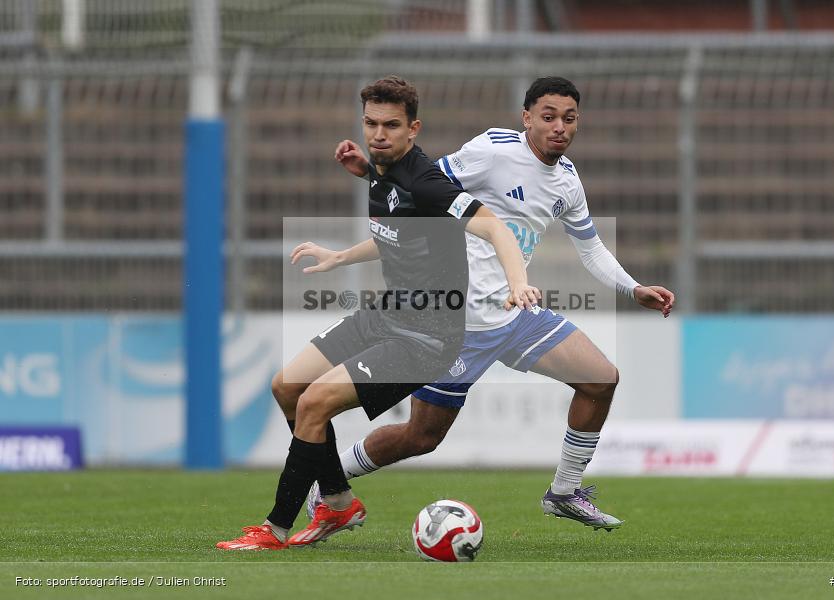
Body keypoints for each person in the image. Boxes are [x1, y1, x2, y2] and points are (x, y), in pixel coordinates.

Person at [300, 76, 675, 531]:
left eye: (569, 119)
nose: (559, 127)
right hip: (456, 324)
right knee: (421, 438)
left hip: (517, 314)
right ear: (527, 119)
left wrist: (631, 288)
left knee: (600, 379)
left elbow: (591, 247)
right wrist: (370, 173)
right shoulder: (494, 151)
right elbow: (421, 189)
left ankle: (563, 492)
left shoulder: (568, 182)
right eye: (548, 116)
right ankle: (328, 481)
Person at [217, 76, 538, 550]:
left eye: (391, 125)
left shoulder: (429, 182)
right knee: (287, 386)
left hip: (425, 339)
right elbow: (398, 234)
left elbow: (495, 228)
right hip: (386, 315)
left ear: (414, 129)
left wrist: (518, 284)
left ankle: (275, 528)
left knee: (314, 402)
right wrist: (341, 253)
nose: (378, 133)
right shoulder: (384, 173)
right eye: (371, 123)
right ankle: (339, 503)